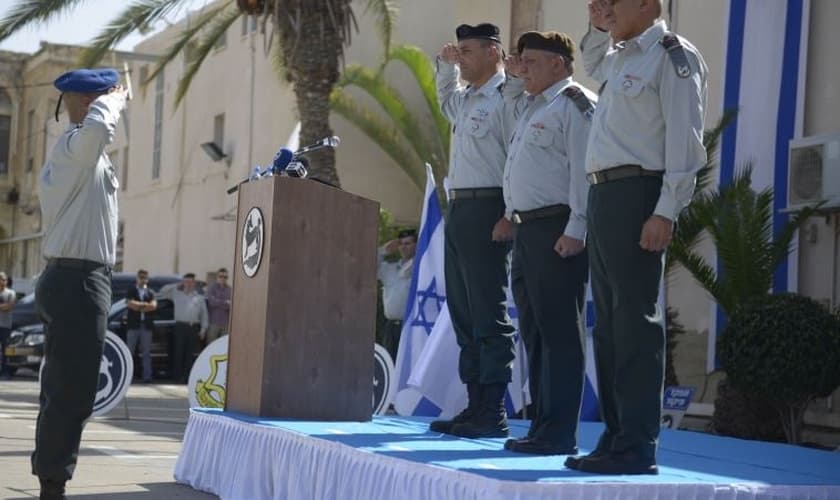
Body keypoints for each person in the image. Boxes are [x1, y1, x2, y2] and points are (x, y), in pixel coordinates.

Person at [565, 0, 707, 475]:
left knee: (635, 324)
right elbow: (591, 61)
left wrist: (665, 210)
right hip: (604, 194)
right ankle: (616, 434)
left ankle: (637, 444)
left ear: (648, 4)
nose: (607, 6)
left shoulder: (671, 55)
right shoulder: (622, 55)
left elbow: (686, 143)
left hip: (639, 193)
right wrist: (597, 23)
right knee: (608, 324)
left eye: (616, 0)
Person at [31, 68, 128, 500]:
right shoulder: (76, 147)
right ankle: (53, 483)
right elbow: (97, 131)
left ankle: (52, 477)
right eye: (105, 99)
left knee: (65, 387)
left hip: (78, 278)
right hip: (77, 279)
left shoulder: (87, 156)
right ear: (93, 103)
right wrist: (116, 99)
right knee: (72, 390)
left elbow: (100, 136)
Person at [498, 31, 596, 456]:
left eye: (532, 62)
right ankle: (541, 423)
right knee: (536, 333)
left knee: (559, 333)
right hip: (528, 232)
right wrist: (518, 77)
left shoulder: (575, 103)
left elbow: (583, 170)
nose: (524, 68)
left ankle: (559, 432)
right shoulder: (535, 105)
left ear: (558, 64)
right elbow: (506, 106)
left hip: (557, 228)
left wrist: (577, 227)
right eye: (520, 62)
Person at [429, 23, 516, 438]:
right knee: (464, 311)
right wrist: (444, 68)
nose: (459, 57)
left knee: (487, 312)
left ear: (492, 52)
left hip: (490, 205)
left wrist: (511, 213)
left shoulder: (508, 97)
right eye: (458, 50)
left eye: (466, 51)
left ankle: (493, 410)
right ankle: (474, 403)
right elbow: (445, 101)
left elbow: (519, 159)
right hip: (462, 206)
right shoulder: (466, 100)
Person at [157, 273, 208, 383]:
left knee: (189, 354)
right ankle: (177, 378)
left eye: (191, 282)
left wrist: (203, 329)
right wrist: (176, 285)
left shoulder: (199, 298)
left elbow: (204, 315)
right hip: (180, 326)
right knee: (178, 353)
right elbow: (162, 291)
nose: (188, 284)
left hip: (193, 327)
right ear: (183, 282)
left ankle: (187, 377)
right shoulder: (176, 294)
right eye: (186, 282)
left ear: (194, 284)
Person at [376, 229, 417, 361]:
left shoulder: (421, 266)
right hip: (391, 327)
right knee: (390, 364)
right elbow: (366, 266)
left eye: (408, 243)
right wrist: (383, 250)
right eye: (401, 244)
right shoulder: (389, 268)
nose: (404, 247)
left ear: (416, 245)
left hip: (411, 326)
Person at [125, 269, 157, 383]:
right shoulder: (131, 290)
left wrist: (138, 306)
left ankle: (147, 377)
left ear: (147, 279)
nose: (142, 279)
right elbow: (130, 304)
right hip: (133, 325)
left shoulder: (151, 292)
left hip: (146, 326)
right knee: (130, 352)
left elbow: (153, 306)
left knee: (146, 353)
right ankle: (128, 376)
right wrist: (144, 305)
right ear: (137, 278)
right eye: (141, 277)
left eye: (144, 277)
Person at [205, 268, 232, 344]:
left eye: (225, 277)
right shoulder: (211, 288)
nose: (223, 279)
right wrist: (225, 302)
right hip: (213, 323)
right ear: (217, 277)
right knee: (211, 345)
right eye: (221, 276)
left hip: (225, 324)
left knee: (223, 346)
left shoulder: (229, 289)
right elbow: (212, 302)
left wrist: (219, 302)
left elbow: (231, 305)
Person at [0, 271, 16, 379]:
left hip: (5, 326)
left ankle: (5, 372)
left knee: (5, 350)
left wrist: (4, 306)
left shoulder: (11, 293)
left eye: (3, 279)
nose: (2, 281)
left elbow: (9, 306)